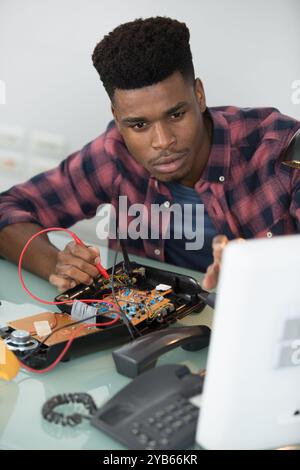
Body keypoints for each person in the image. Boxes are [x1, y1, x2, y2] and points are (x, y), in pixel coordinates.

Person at [0, 17, 299, 293]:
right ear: (118, 118)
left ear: (199, 95)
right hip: (149, 337)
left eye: (176, 114)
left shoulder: (278, 148)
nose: (163, 142)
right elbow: (7, 209)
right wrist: (55, 264)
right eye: (139, 124)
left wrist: (264, 274)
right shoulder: (113, 153)